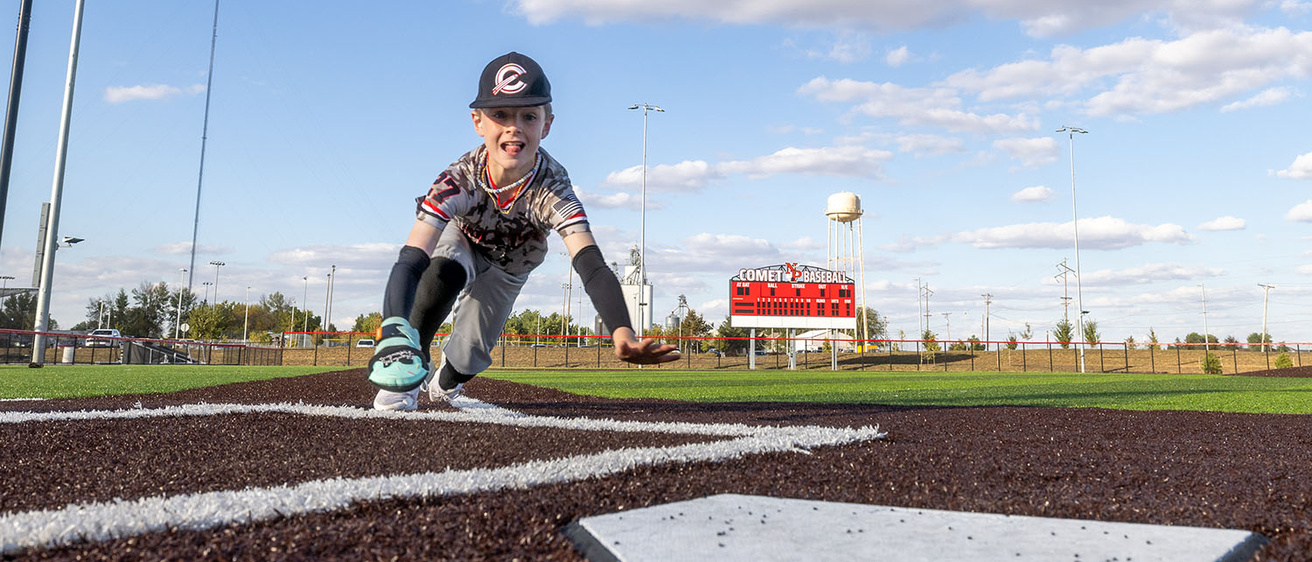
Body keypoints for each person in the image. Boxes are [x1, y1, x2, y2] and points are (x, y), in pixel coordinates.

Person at [368, 51, 679, 411]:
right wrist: (394, 326)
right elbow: (412, 258)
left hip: (511, 264)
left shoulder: (553, 188)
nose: (513, 127)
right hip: (465, 238)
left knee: (470, 353)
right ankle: (409, 370)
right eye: (499, 115)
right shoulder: (458, 179)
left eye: (528, 116)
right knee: (442, 269)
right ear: (477, 122)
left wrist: (622, 331)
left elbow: (589, 262)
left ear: (546, 125)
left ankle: (446, 382)